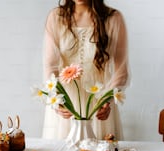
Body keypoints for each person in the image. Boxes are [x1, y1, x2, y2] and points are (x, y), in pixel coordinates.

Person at [42, 0, 129, 141]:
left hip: (98, 103)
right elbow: (50, 66)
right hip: (66, 103)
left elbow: (121, 70)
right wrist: (57, 99)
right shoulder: (56, 17)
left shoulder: (113, 18)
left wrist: (107, 101)